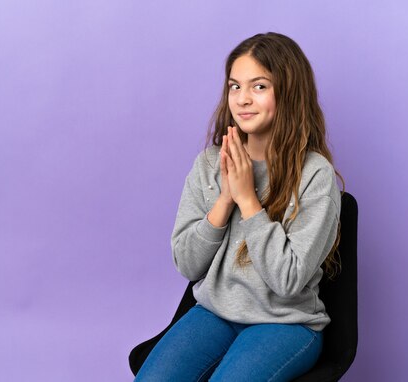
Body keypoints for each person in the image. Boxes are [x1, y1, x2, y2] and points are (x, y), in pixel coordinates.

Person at [134, 32, 346, 382]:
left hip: (285, 323)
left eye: (259, 86)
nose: (243, 99)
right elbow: (187, 264)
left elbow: (288, 280)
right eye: (235, 86)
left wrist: (248, 200)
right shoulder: (209, 164)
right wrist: (225, 199)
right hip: (215, 313)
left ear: (289, 92)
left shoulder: (315, 176)